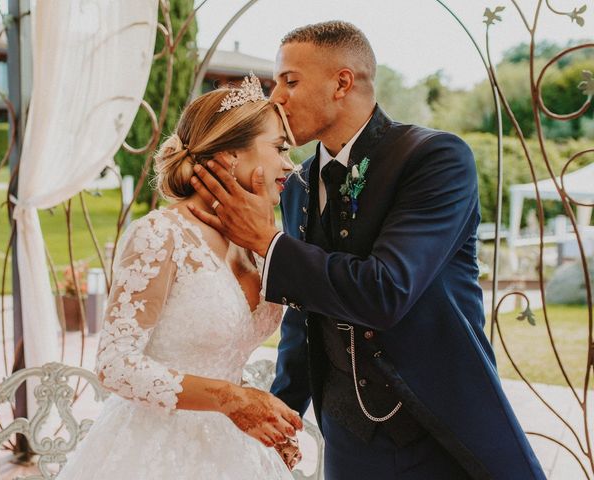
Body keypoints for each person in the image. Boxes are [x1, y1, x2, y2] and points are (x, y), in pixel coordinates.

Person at [188, 21, 546, 479]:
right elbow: (304, 318)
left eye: (290, 81)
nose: (275, 98)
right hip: (349, 441)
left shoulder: (435, 160)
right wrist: (281, 414)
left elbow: (386, 291)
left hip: (440, 430)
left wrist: (265, 241)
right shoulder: (296, 186)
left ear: (342, 82)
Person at [56, 77, 304, 480]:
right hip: (155, 450)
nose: (289, 164)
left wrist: (261, 421)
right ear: (229, 155)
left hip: (235, 446)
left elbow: (220, 349)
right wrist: (231, 399)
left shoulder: (251, 244)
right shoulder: (160, 236)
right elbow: (115, 365)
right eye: (278, 148)